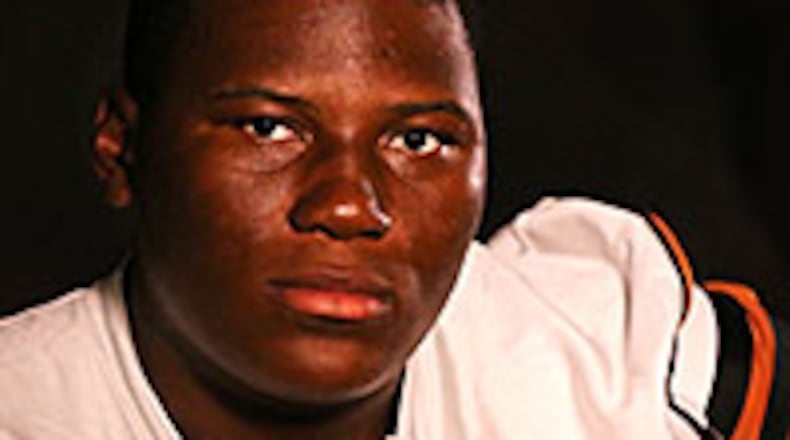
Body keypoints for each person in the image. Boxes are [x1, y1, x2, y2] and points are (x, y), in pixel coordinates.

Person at [0, 0, 784, 439]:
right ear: (121, 149)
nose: (349, 206)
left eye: (418, 140)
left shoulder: (593, 355)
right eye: (270, 128)